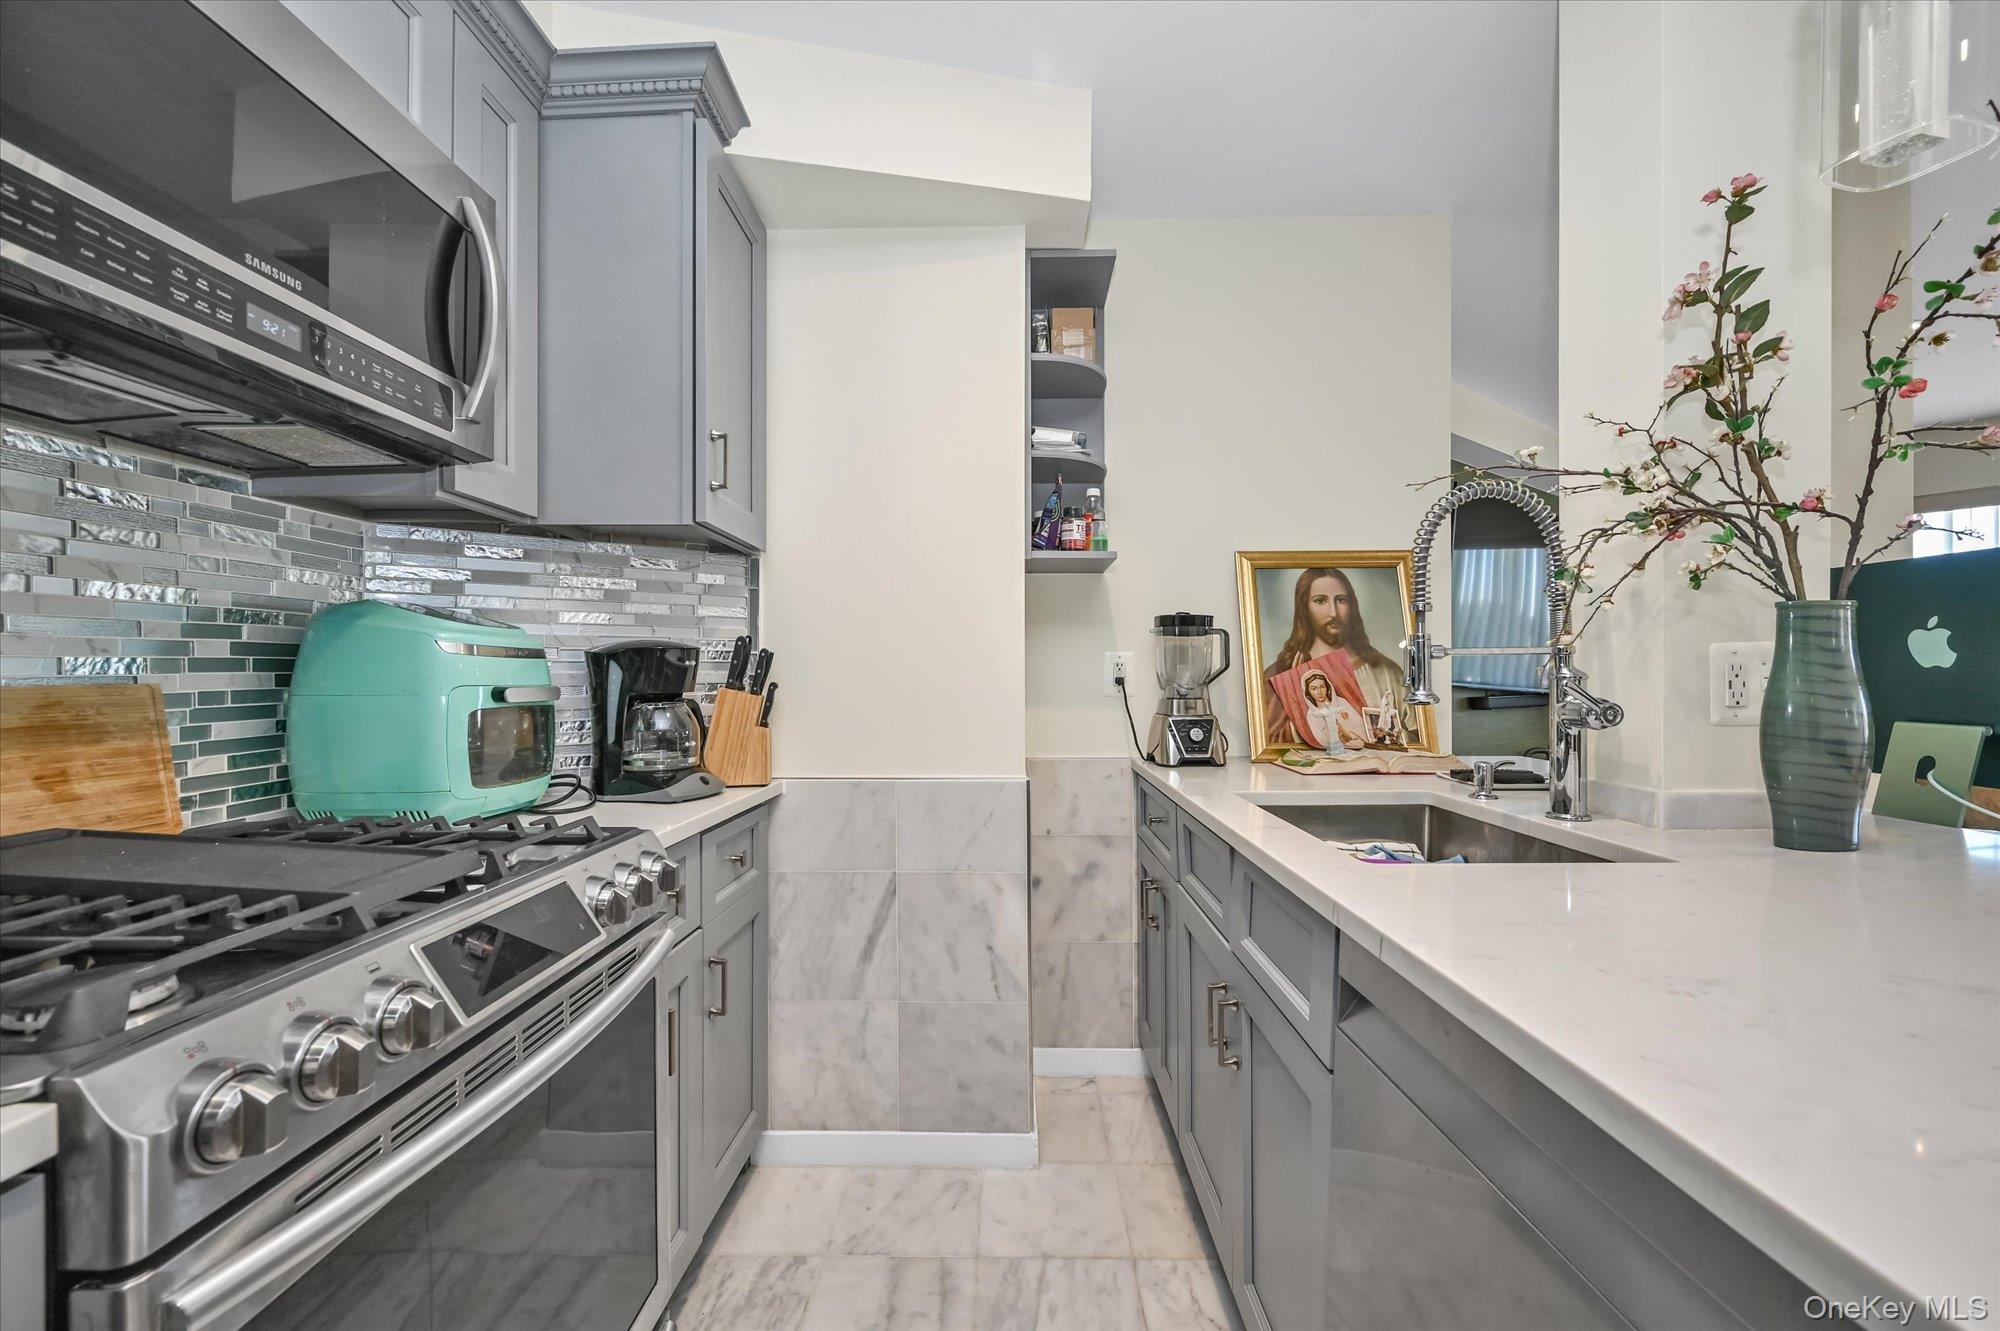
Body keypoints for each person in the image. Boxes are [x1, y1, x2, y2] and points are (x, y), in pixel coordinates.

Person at [1262, 567, 1410, 748]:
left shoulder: (1387, 672)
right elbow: (1269, 744)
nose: (1333, 612)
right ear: (1305, 608)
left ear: (1352, 605)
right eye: (1320, 601)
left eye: (1341, 600)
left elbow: (1417, 738)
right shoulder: (1279, 674)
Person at [1302, 670, 1369, 755]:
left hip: (1361, 744)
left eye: (1322, 687)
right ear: (1308, 692)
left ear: (1327, 686)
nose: (1319, 692)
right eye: (1314, 689)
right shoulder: (1312, 715)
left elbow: (1360, 725)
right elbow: (1322, 740)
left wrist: (1348, 734)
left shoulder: (1341, 702)